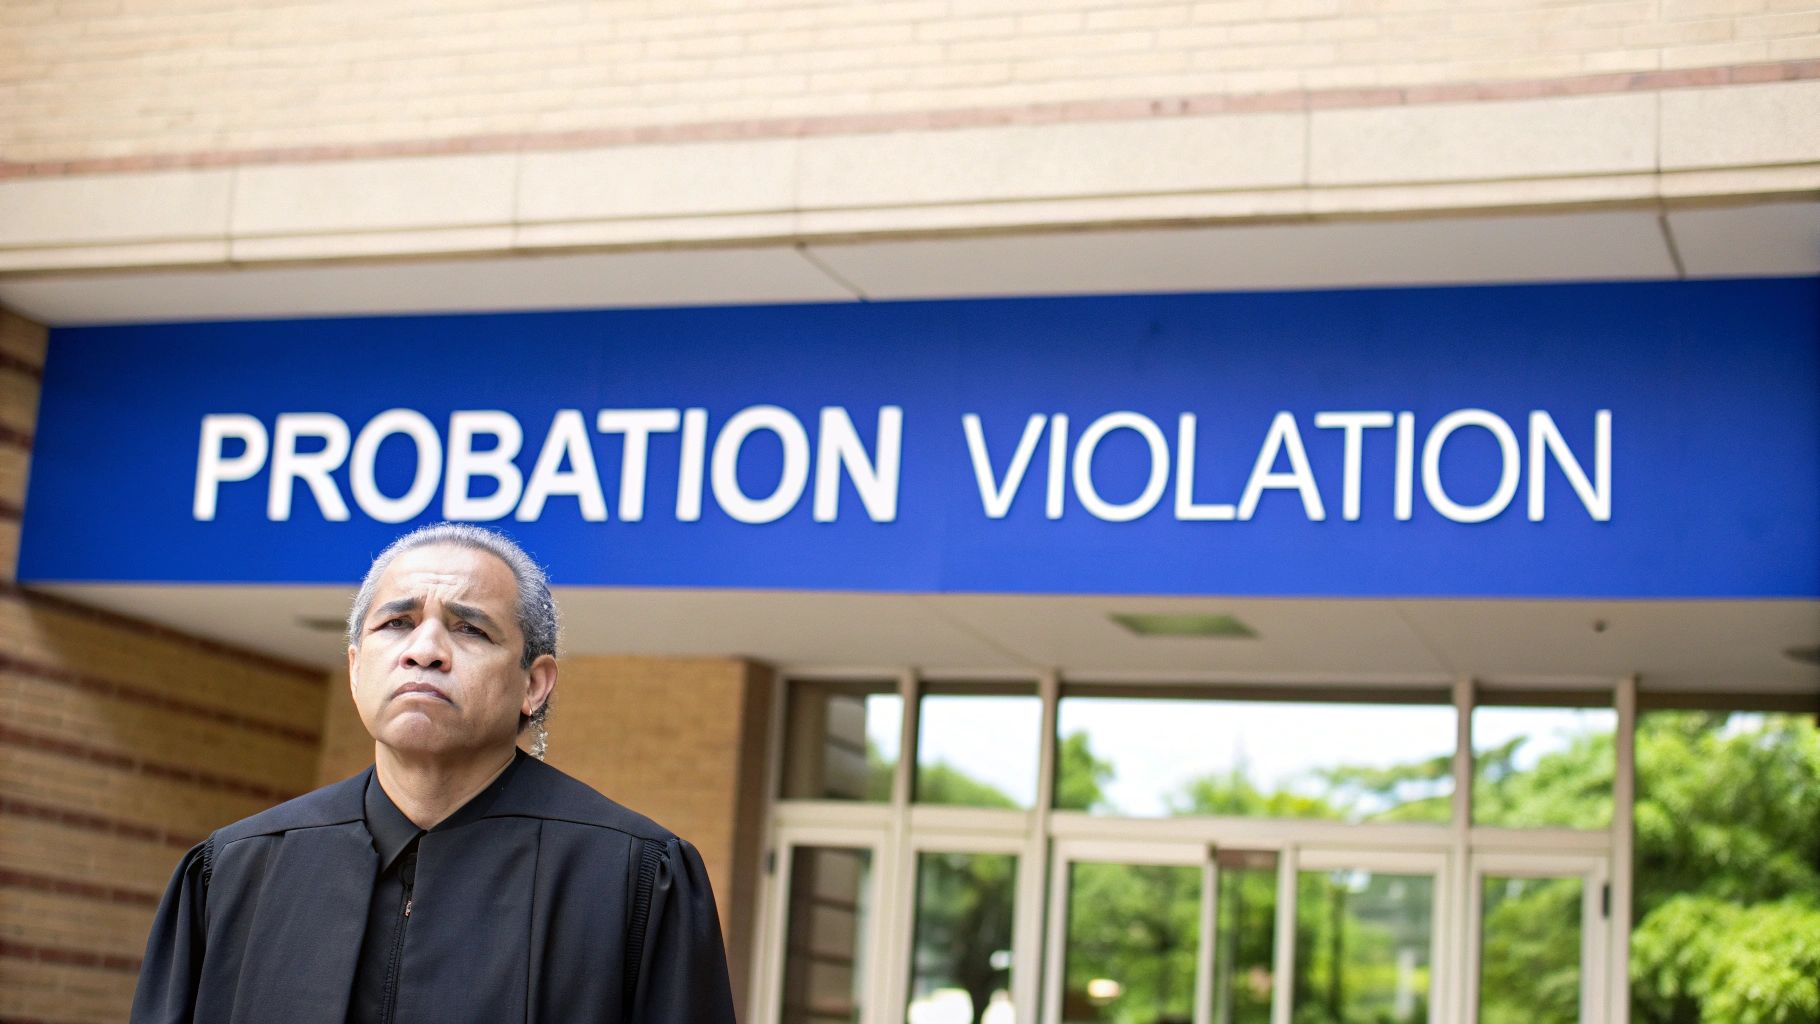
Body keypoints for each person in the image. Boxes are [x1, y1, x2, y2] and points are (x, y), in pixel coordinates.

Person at [131, 523, 738, 1024]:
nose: (425, 650)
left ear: (534, 683)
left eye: (469, 628)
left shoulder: (634, 878)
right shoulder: (235, 872)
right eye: (395, 624)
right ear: (354, 668)